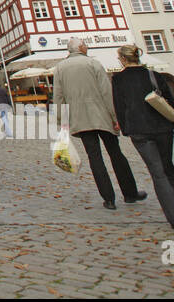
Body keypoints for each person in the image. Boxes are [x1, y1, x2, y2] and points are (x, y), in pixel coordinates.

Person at [53, 39, 146, 210]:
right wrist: (115, 116)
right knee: (115, 153)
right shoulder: (93, 63)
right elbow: (106, 92)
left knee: (94, 157)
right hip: (101, 115)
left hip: (80, 118)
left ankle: (108, 198)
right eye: (85, 45)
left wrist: (62, 121)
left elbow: (58, 97)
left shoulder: (60, 68)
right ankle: (130, 193)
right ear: (81, 48)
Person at [111, 44, 174, 231]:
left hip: (139, 130)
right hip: (163, 127)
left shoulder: (118, 79)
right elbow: (170, 102)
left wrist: (125, 128)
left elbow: (119, 106)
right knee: (168, 168)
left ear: (122, 59)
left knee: (157, 171)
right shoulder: (153, 75)